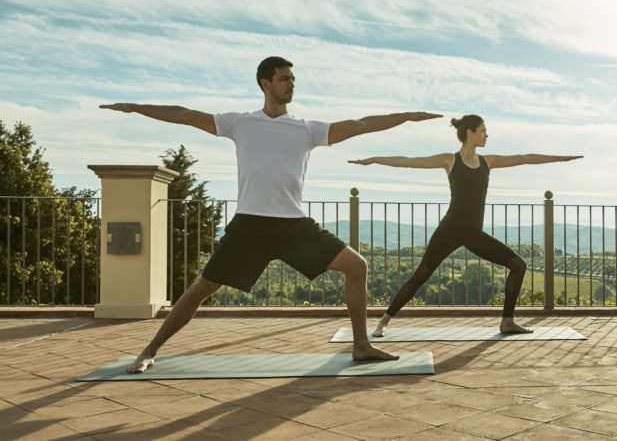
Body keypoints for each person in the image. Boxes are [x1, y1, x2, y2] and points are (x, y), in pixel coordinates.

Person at [100, 56, 441, 372]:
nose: (291, 84)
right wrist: (135, 107)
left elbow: (361, 124)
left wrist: (407, 116)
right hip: (250, 224)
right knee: (201, 290)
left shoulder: (307, 129)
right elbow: (183, 114)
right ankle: (150, 351)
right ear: (265, 83)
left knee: (357, 266)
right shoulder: (240, 123)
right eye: (284, 79)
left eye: (293, 79)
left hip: (293, 225)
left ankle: (361, 345)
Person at [349, 114, 582, 337]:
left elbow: (525, 157)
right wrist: (374, 159)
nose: (487, 135)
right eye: (483, 131)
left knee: (518, 265)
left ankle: (507, 321)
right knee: (421, 275)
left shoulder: (487, 162)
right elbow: (408, 162)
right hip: (449, 229)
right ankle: (384, 320)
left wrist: (560, 158)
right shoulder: (449, 160)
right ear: (470, 133)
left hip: (473, 233)